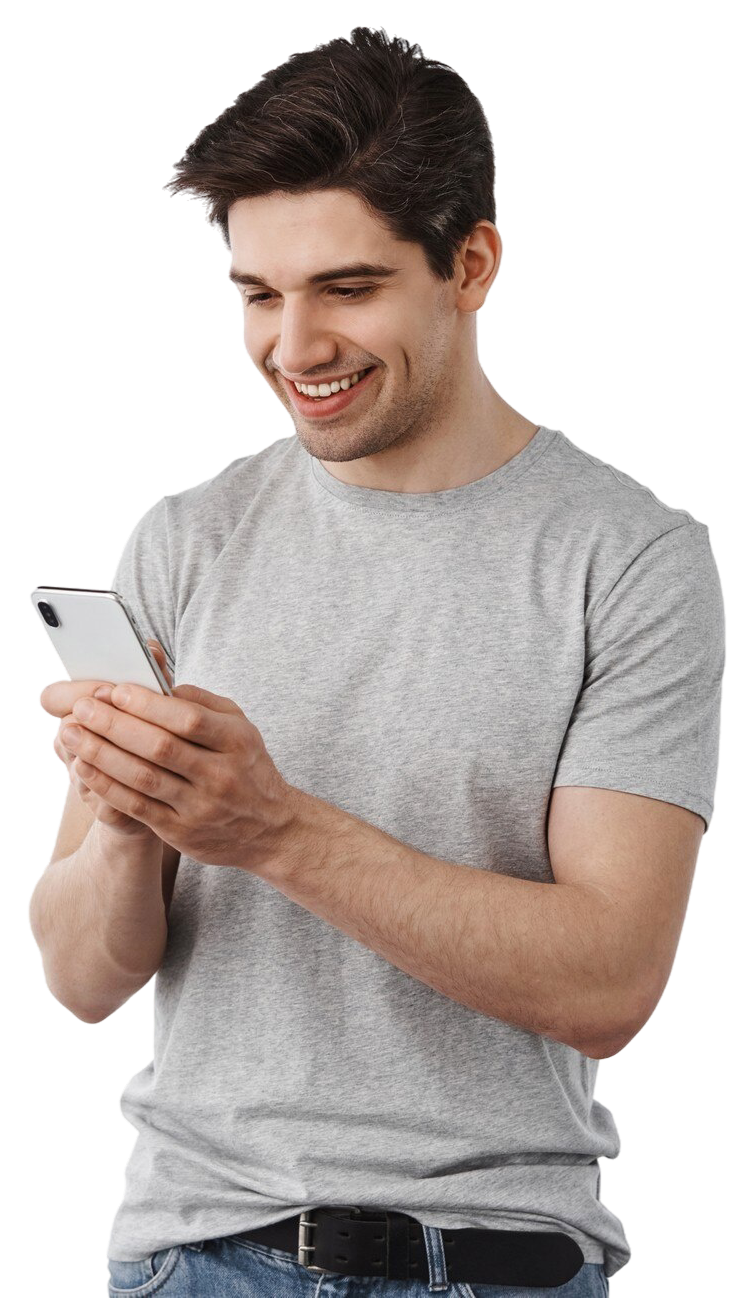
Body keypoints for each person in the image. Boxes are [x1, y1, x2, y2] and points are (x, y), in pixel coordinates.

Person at [29, 25, 725, 1297]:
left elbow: (610, 981)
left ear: (471, 263)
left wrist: (270, 829)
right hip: (192, 1258)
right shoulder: (184, 537)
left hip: (498, 1264)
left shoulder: (630, 559)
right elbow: (80, 978)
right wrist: (132, 821)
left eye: (346, 289)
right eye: (258, 294)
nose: (293, 348)